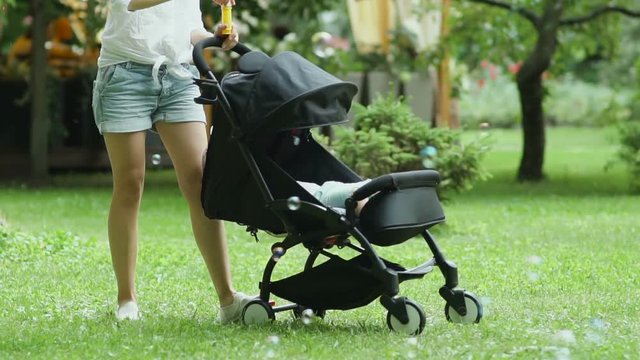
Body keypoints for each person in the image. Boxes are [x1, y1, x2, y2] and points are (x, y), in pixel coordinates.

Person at [93, 0, 253, 323]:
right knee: (129, 183)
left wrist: (214, 35)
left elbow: (186, 26)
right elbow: (132, 4)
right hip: (124, 75)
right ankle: (127, 300)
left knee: (200, 180)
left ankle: (227, 299)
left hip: (179, 76)